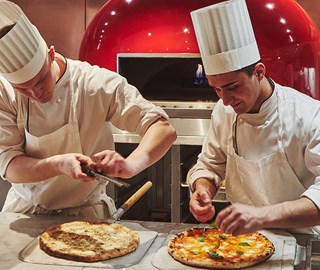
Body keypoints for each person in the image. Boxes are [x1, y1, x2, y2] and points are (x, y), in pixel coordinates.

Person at [0, 1, 176, 219]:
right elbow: (9, 166)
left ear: (51, 54)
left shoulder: (94, 84)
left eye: (40, 80)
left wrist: (131, 165)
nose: (36, 93)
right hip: (24, 213)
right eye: (23, 89)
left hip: (85, 214)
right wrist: (58, 164)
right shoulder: (4, 92)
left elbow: (162, 128)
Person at [188, 0, 320, 235]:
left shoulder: (308, 115)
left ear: (259, 72)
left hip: (304, 240)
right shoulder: (224, 110)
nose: (226, 100)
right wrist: (203, 189)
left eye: (232, 87)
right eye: (216, 89)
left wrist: (262, 215)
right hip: (244, 241)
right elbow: (210, 164)